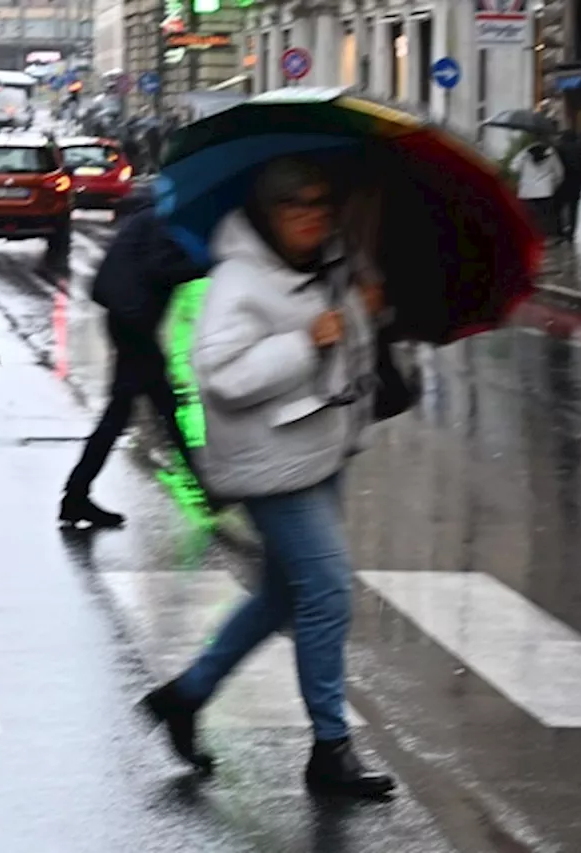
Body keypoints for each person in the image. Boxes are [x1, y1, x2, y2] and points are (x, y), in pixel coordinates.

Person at [138, 157, 397, 800]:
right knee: (329, 591)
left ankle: (187, 695)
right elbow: (221, 375)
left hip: (318, 450)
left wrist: (364, 314)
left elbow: (345, 353)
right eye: (295, 204)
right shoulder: (240, 280)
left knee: (285, 593)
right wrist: (308, 341)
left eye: (321, 202)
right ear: (265, 212)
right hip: (269, 462)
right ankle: (330, 749)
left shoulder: (330, 263)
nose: (312, 214)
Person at [60, 185, 208, 527]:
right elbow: (160, 268)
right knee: (130, 412)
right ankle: (76, 495)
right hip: (133, 320)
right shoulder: (162, 220)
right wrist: (204, 264)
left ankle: (77, 495)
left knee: (159, 405)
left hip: (126, 316)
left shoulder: (148, 215)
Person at [510, 141, 565, 238]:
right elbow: (559, 173)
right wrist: (553, 186)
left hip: (527, 192)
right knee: (545, 218)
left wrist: (522, 157)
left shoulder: (525, 153)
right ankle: (545, 238)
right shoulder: (552, 154)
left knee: (528, 217)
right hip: (545, 191)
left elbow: (513, 168)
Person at [554, 130, 581, 240]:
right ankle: (572, 231)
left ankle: (559, 230)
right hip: (576, 181)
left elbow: (556, 166)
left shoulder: (558, 149)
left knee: (558, 207)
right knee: (574, 208)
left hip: (562, 181)